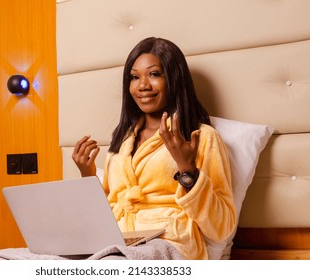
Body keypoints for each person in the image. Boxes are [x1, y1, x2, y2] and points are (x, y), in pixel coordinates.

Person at [72, 37, 236, 260]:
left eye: (154, 74)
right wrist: (87, 176)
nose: (142, 86)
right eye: (134, 77)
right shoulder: (122, 140)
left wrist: (188, 171)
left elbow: (222, 227)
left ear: (174, 78)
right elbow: (106, 213)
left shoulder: (201, 137)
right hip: (119, 241)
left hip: (169, 242)